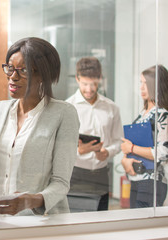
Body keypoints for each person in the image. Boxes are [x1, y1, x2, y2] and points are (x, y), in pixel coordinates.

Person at [0, 37, 79, 217]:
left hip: (39, 224)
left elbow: (60, 183)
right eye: (10, 68)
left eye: (24, 70)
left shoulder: (64, 114)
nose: (13, 77)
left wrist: (30, 200)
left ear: (43, 74)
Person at [65, 57, 123, 211]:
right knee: (75, 223)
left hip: (101, 175)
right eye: (85, 84)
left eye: (94, 84)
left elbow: (118, 141)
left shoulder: (112, 108)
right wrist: (77, 151)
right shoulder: (67, 108)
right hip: (76, 175)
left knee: (100, 222)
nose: (89, 89)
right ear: (77, 79)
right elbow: (59, 146)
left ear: (100, 79)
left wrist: (107, 152)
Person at [121, 64, 168, 208]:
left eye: (145, 83)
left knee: (143, 227)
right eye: (140, 83)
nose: (141, 87)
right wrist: (125, 160)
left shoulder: (161, 114)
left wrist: (132, 148)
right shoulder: (143, 113)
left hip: (150, 182)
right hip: (136, 179)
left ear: (157, 85)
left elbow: (163, 152)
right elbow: (131, 146)